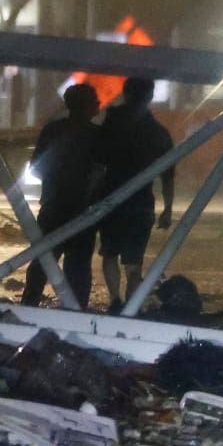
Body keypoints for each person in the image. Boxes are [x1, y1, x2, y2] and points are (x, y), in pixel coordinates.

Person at [89, 78, 174, 312]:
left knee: (109, 253)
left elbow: (97, 165)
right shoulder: (157, 132)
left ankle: (115, 300)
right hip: (141, 204)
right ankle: (131, 307)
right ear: (149, 97)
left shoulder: (111, 126)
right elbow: (168, 175)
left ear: (125, 94)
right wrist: (167, 208)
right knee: (134, 262)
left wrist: (90, 198)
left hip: (111, 201)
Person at [20, 83, 100, 308]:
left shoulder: (52, 131)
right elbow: (104, 171)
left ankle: (29, 304)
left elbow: (36, 168)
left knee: (43, 261)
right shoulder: (97, 135)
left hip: (53, 207)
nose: (99, 104)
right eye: (95, 100)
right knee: (78, 267)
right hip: (84, 212)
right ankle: (75, 312)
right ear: (88, 106)